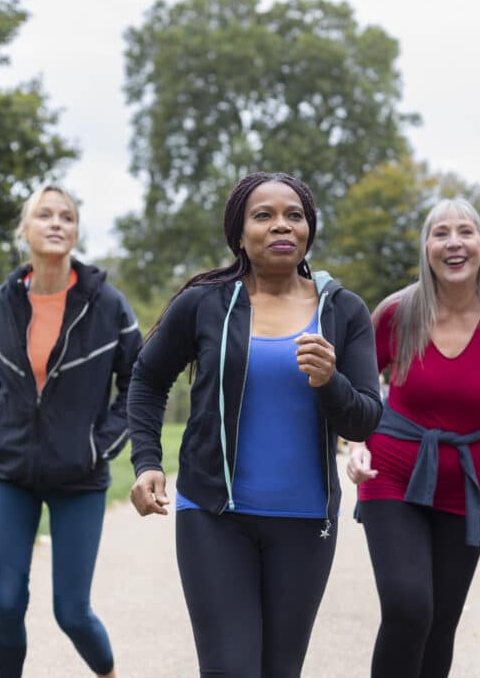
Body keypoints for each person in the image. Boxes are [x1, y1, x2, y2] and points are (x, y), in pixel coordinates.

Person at [127, 172, 382, 677]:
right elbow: (147, 379)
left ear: (309, 229)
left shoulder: (343, 311)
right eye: (263, 216)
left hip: (306, 523)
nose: (281, 225)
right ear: (239, 234)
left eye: (294, 215)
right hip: (213, 517)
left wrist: (330, 380)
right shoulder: (205, 303)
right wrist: (147, 461)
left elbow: (367, 418)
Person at [346, 198, 480, 678]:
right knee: (409, 608)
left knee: (440, 625)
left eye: (465, 232)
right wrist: (355, 444)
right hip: (391, 473)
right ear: (426, 248)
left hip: (468, 484)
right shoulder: (397, 312)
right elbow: (356, 392)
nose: (454, 243)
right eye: (441, 233)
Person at [0, 185, 142, 678]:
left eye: (67, 216)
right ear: (25, 230)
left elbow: (138, 382)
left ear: (76, 231)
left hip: (79, 476)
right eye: (44, 215)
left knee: (71, 612)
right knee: (7, 603)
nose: (56, 223)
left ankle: (108, 674)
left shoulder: (107, 305)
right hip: (11, 471)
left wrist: (101, 445)